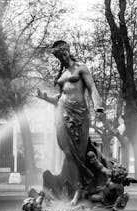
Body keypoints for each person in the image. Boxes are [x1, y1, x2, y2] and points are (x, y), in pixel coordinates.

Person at [38, 40, 105, 200]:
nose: (63, 57)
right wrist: (45, 97)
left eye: (63, 53)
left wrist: (98, 105)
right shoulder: (62, 75)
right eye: (59, 56)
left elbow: (92, 87)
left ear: (68, 51)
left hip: (79, 113)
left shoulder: (81, 68)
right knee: (68, 151)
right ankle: (75, 187)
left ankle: (81, 188)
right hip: (62, 112)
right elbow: (60, 97)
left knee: (79, 153)